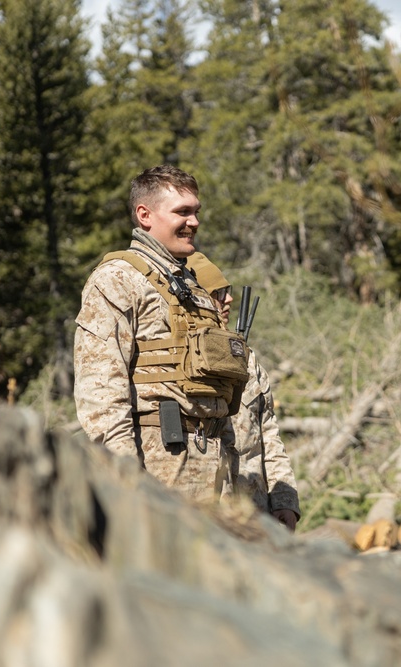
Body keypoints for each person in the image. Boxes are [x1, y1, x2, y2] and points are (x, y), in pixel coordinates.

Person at [73, 165, 248, 504]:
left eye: (196, 212)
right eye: (182, 212)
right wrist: (126, 480)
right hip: (157, 466)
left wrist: (231, 464)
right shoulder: (117, 279)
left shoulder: (197, 288)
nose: (194, 222)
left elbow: (218, 388)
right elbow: (101, 393)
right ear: (145, 215)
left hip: (216, 470)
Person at [186, 252, 301, 531]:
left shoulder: (246, 358)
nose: (229, 300)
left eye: (228, 291)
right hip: (206, 513)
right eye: (218, 293)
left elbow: (268, 433)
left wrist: (284, 500)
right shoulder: (181, 360)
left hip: (258, 512)